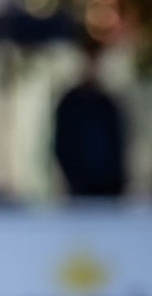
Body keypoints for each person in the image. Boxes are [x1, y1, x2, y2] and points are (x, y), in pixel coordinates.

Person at [53, 36, 129, 199]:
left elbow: (118, 143)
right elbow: (62, 144)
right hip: (79, 189)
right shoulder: (69, 103)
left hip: (109, 189)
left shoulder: (107, 103)